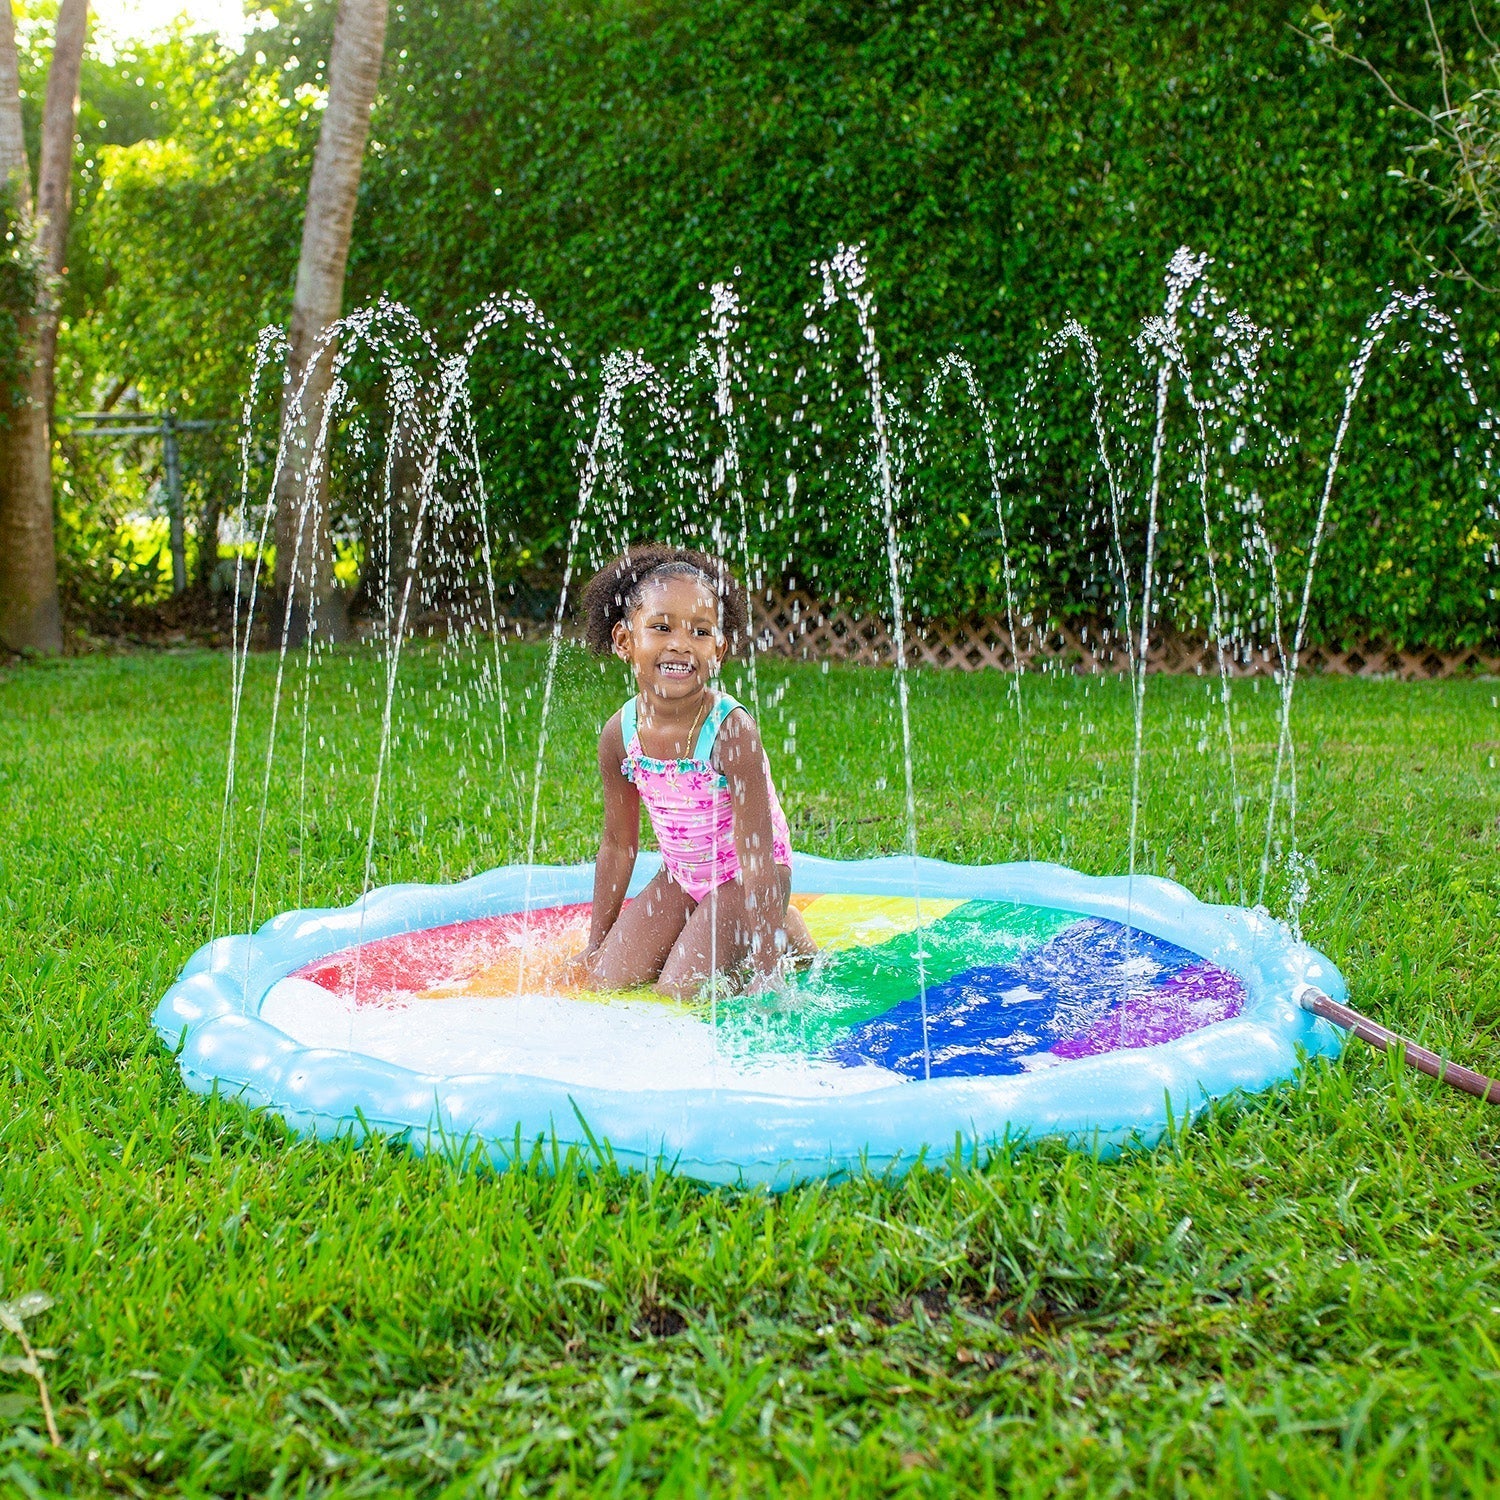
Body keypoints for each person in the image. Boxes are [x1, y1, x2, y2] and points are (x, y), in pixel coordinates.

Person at [573, 544, 815, 1000]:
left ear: (719, 649)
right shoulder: (620, 734)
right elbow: (618, 846)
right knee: (606, 980)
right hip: (684, 875)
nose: (680, 643)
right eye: (661, 627)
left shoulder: (731, 731)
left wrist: (767, 968)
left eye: (700, 632)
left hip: (749, 878)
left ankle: (776, 928)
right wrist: (595, 945)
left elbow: (758, 856)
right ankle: (720, 930)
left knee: (679, 991)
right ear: (625, 641)